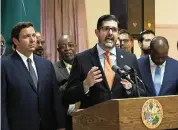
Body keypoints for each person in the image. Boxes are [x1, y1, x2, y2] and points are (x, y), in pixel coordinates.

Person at [63, 14, 145, 109]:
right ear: (97, 32)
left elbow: (142, 92)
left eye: (114, 30)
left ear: (117, 33)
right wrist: (85, 84)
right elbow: (68, 97)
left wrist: (131, 88)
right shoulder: (82, 59)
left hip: (123, 118)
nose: (110, 33)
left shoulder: (129, 58)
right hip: (93, 119)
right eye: (106, 29)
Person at [1, 22, 65, 130]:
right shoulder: (4, 65)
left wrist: (61, 125)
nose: (32, 40)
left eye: (33, 35)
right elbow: (2, 103)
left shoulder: (46, 64)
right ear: (16, 41)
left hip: (47, 126)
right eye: (26, 36)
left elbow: (55, 98)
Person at [53, 34, 77, 130]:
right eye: (63, 47)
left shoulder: (84, 64)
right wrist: (74, 79)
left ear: (75, 46)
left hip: (86, 114)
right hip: (65, 119)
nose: (67, 49)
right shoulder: (53, 69)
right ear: (58, 50)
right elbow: (56, 94)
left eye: (70, 45)